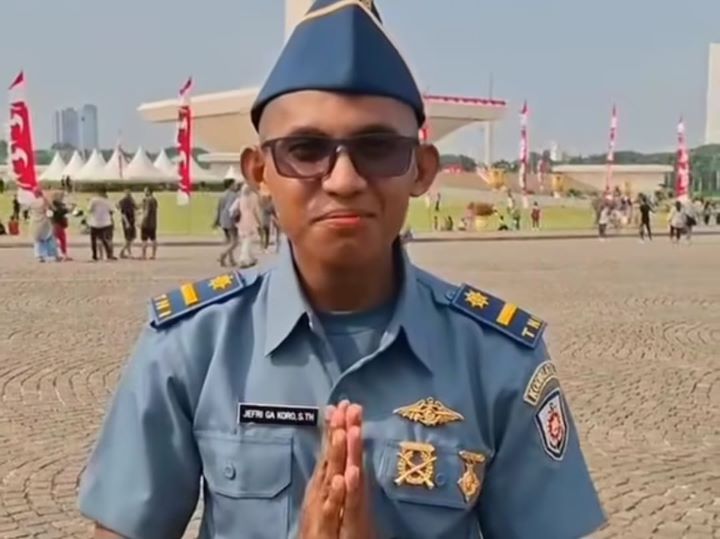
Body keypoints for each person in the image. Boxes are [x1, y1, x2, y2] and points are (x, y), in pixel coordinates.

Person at [78, 2, 605, 538]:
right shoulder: (191, 347)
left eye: (377, 148)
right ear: (260, 172)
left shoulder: (497, 360)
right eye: (305, 150)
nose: (344, 179)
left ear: (421, 170)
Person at [28, 187, 59, 262]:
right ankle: (51, 255)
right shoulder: (44, 201)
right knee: (48, 237)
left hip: (34, 221)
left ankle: (39, 255)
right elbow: (52, 209)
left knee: (37, 238)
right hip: (44, 220)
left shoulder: (32, 202)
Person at [214, 179, 241, 266]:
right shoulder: (234, 195)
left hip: (223, 220)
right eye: (234, 184)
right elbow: (233, 209)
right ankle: (223, 254)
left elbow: (219, 208)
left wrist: (217, 220)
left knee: (229, 241)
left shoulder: (223, 195)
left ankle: (231, 260)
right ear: (230, 185)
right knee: (235, 242)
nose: (236, 186)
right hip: (230, 219)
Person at [88, 187, 116, 261]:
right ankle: (109, 255)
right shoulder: (107, 201)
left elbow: (89, 210)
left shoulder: (93, 200)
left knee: (93, 240)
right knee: (105, 240)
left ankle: (94, 256)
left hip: (94, 222)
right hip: (105, 222)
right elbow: (112, 210)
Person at [50, 190, 72, 260]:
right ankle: (62, 254)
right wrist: (69, 209)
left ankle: (56, 254)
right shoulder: (57, 205)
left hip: (55, 223)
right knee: (62, 239)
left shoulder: (54, 204)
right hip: (58, 223)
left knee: (56, 239)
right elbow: (61, 212)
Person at [117, 190, 138, 259]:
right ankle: (123, 252)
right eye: (128, 194)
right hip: (127, 222)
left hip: (131, 221)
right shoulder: (124, 201)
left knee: (132, 237)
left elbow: (136, 208)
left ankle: (126, 253)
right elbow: (123, 213)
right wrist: (127, 223)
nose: (129, 195)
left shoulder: (131, 201)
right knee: (128, 238)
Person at [140, 187, 158, 260]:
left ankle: (144, 255)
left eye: (145, 191)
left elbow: (146, 212)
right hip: (153, 223)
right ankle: (153, 255)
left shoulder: (148, 200)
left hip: (146, 223)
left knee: (144, 240)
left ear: (148, 192)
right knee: (153, 239)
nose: (144, 192)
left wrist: (142, 221)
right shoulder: (154, 200)